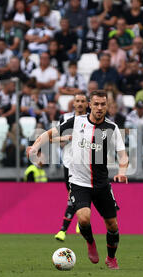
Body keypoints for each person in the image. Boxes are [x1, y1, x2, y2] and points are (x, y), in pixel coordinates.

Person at [27, 90, 128, 270]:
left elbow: (123, 155)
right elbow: (49, 133)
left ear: (106, 106)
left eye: (102, 104)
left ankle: (111, 258)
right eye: (95, 104)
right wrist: (35, 147)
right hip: (79, 182)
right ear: (90, 105)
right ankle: (90, 242)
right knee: (83, 218)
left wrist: (122, 171)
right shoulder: (77, 121)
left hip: (101, 183)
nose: (99, 108)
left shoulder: (111, 128)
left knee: (112, 225)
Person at [55, 93, 88, 242]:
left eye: (82, 101)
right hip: (68, 163)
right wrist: (67, 138)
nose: (80, 104)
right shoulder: (65, 118)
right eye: (77, 101)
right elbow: (53, 138)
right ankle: (80, 222)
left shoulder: (92, 119)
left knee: (74, 195)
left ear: (87, 104)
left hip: (86, 164)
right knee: (73, 196)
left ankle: (63, 230)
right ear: (73, 104)